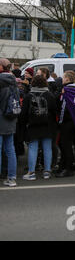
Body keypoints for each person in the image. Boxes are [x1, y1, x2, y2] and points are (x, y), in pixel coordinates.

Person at [21, 75, 57, 181]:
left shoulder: (28, 95)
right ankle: (47, 172)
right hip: (48, 125)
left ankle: (31, 172)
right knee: (47, 148)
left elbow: (23, 113)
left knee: (33, 148)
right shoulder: (49, 95)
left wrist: (24, 125)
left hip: (33, 125)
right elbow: (54, 110)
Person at [55, 70, 75, 177]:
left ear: (67, 79)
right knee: (67, 145)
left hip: (67, 122)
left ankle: (68, 168)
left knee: (66, 146)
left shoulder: (67, 90)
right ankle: (63, 166)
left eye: (63, 77)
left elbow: (63, 108)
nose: (62, 79)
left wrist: (60, 122)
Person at [0, 58, 19, 187]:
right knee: (10, 149)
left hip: (0, 118)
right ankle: (11, 178)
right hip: (11, 118)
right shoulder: (14, 81)